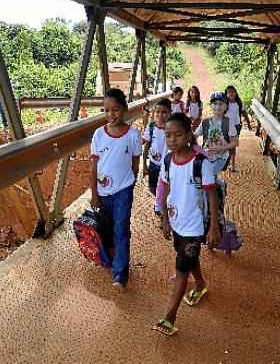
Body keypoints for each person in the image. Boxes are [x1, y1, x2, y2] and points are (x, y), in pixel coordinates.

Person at [151, 112, 221, 336]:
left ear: (189, 135)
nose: (172, 140)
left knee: (181, 269)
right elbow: (165, 188)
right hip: (176, 223)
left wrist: (214, 227)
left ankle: (169, 317)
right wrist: (164, 218)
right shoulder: (167, 162)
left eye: (178, 135)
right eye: (168, 135)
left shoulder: (201, 164)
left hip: (194, 228)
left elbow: (212, 195)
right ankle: (200, 284)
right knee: (188, 258)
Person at [90, 88, 142, 290]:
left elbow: (136, 161)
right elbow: (93, 167)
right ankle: (111, 257)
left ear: (124, 109)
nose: (111, 115)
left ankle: (120, 275)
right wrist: (94, 194)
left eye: (116, 110)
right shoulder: (98, 135)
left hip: (123, 190)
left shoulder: (133, 135)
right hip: (103, 193)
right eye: (106, 111)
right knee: (107, 228)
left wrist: (131, 181)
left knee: (121, 229)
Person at [195, 91, 239, 175]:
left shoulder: (228, 123)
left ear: (226, 106)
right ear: (210, 105)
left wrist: (222, 148)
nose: (218, 106)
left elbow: (235, 142)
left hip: (221, 157)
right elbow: (194, 135)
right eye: (215, 103)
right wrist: (197, 148)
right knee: (200, 173)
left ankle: (217, 184)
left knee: (209, 173)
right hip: (206, 155)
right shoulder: (205, 122)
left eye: (221, 104)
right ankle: (220, 184)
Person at [143, 99, 171, 196]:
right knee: (152, 187)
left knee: (166, 188)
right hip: (153, 164)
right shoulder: (151, 127)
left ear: (170, 113)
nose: (160, 115)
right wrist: (144, 165)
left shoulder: (172, 129)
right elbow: (146, 146)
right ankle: (159, 201)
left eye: (164, 112)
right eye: (157, 112)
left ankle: (164, 206)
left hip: (168, 165)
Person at [224, 86, 249, 172]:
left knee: (233, 146)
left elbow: (244, 113)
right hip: (226, 126)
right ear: (226, 94)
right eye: (229, 92)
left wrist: (248, 123)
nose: (231, 94)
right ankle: (225, 163)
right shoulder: (224, 103)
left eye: (233, 92)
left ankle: (233, 165)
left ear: (236, 93)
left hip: (236, 126)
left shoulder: (239, 103)